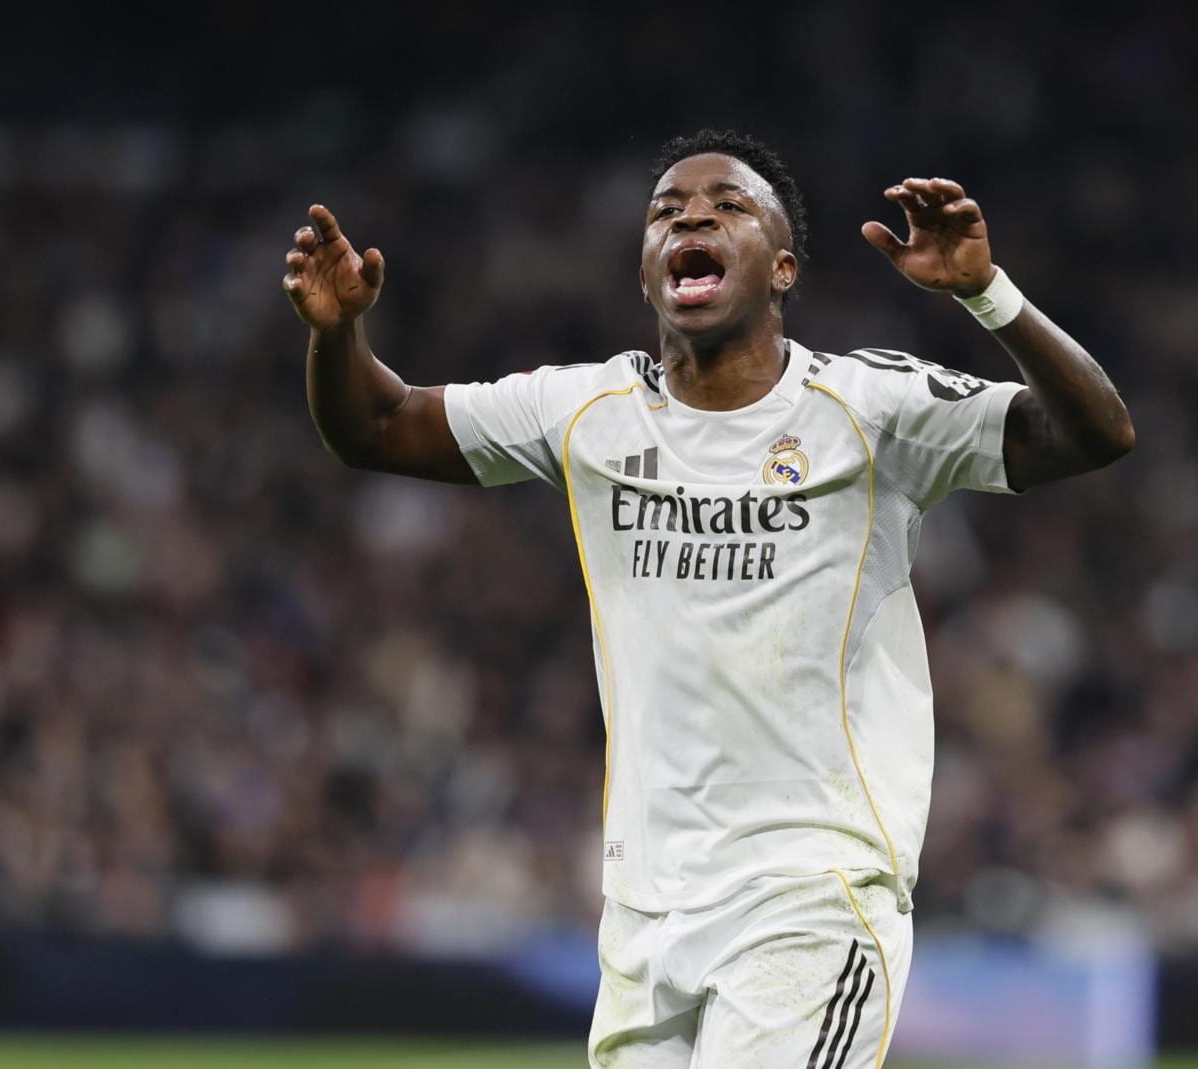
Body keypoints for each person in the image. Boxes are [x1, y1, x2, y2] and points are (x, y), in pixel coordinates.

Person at [282, 129, 1134, 1068]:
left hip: (810, 896)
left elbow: (1093, 432)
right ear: (646, 274)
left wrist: (987, 293)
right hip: (644, 913)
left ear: (782, 269)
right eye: (666, 212)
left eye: (728, 206)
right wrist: (337, 334)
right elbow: (376, 425)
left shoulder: (870, 405)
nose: (691, 217)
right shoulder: (587, 411)